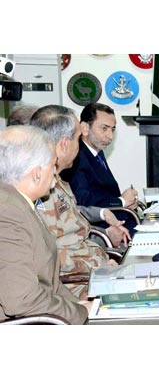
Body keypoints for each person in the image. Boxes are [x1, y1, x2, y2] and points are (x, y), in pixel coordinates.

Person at [30, 105, 131, 295]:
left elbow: (74, 225)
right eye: (78, 138)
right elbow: (50, 259)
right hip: (78, 288)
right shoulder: (36, 192)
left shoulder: (56, 181)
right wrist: (99, 267)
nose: (81, 145)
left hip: (94, 271)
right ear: (64, 144)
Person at [0, 125, 88, 324]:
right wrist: (81, 314)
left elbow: (50, 283)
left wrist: (79, 306)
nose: (55, 176)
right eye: (53, 166)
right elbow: (21, 299)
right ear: (37, 173)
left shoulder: (18, 202)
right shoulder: (6, 213)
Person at [61, 102, 138, 231]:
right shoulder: (77, 156)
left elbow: (105, 191)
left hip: (120, 220)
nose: (110, 136)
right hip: (102, 228)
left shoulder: (96, 151)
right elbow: (82, 200)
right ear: (85, 128)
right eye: (104, 128)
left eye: (112, 129)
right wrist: (121, 202)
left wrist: (126, 202)